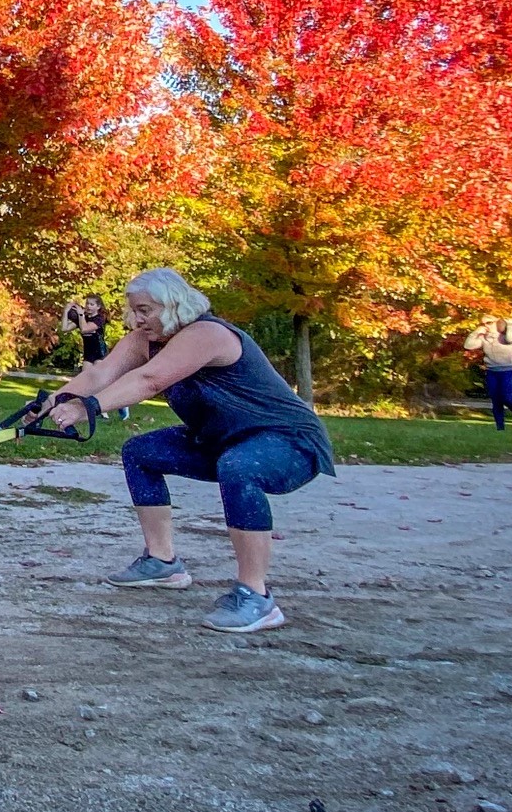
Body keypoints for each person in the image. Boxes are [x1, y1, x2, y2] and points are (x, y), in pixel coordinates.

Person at [34, 268, 335, 634]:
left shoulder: (207, 334)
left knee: (240, 467)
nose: (137, 318)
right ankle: (162, 562)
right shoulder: (142, 340)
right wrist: (52, 402)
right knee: (141, 451)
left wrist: (88, 408)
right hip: (222, 440)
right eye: (134, 310)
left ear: (174, 303)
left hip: (288, 441)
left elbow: (151, 379)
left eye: (145, 309)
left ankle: (256, 597)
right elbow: (100, 375)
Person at [60, 296, 128, 419]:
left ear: (98, 307)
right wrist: (66, 312)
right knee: (86, 381)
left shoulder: (99, 319)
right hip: (88, 354)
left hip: (99, 353)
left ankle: (119, 406)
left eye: (91, 304)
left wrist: (80, 316)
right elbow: (64, 328)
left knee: (101, 382)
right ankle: (95, 409)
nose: (88, 306)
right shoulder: (83, 317)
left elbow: (85, 329)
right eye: (87, 304)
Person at [464, 317, 512, 432]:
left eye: (489, 323)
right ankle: (500, 429)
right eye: (483, 323)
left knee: (508, 399)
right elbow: (468, 346)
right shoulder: (484, 338)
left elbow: (511, 340)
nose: (486, 326)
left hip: (509, 371)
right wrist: (475, 332)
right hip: (492, 372)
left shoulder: (505, 336)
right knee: (496, 401)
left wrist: (509, 325)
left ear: (497, 323)